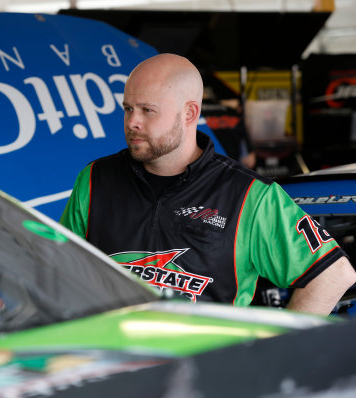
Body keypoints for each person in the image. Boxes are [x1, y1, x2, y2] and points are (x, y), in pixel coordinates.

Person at [60, 53, 356, 316]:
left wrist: (281, 356)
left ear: (189, 114)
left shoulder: (250, 196)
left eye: (147, 110)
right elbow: (57, 268)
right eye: (127, 109)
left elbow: (333, 274)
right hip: (112, 367)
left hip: (204, 373)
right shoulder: (95, 178)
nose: (132, 122)